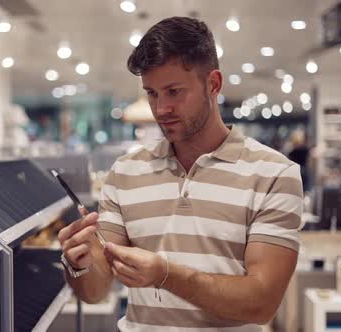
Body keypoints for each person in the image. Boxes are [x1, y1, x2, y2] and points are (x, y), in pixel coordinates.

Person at [57, 16, 302, 332]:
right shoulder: (125, 172)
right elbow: (96, 290)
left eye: (174, 91)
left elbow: (262, 303)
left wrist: (167, 275)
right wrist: (79, 264)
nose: (160, 109)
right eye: (152, 93)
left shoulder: (274, 174)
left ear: (213, 84)